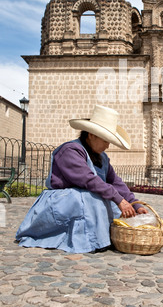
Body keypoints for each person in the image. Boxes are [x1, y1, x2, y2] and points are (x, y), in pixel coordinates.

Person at [15, 105, 147, 254]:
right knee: (91, 198)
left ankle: (103, 238)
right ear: (91, 135)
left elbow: (115, 182)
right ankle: (92, 240)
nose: (108, 145)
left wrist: (133, 203)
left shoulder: (102, 157)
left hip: (86, 199)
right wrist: (118, 199)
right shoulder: (70, 151)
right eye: (105, 140)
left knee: (112, 205)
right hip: (64, 201)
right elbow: (89, 180)